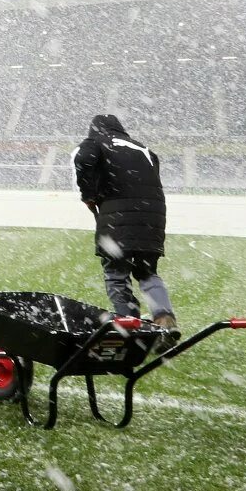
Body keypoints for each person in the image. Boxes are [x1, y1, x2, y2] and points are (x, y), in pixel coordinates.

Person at [72, 113, 176, 339]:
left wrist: (89, 195)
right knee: (148, 272)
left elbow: (83, 160)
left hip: (117, 217)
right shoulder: (144, 149)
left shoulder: (96, 141)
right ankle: (164, 317)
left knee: (116, 273)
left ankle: (130, 326)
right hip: (154, 218)